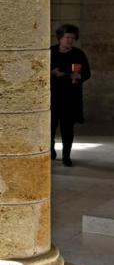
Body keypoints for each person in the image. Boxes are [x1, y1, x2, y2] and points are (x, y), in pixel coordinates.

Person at [51, 23, 91, 166]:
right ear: (60, 38)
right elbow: (39, 71)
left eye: (72, 38)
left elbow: (87, 74)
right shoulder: (50, 51)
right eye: (67, 37)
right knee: (50, 127)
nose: (70, 40)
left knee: (67, 129)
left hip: (70, 97)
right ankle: (51, 149)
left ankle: (66, 156)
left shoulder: (78, 54)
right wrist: (52, 73)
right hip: (52, 96)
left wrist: (77, 76)